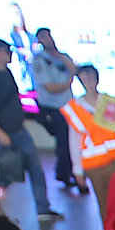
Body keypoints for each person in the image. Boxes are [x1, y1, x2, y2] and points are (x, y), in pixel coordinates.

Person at [0, 37, 59, 222]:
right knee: (7, 176)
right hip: (7, 134)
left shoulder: (6, 72)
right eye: (6, 52)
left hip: (18, 130)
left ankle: (43, 208)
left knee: (35, 169)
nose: (10, 55)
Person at [58, 64, 115, 210]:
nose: (89, 81)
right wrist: (77, 170)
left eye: (91, 77)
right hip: (95, 165)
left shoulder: (108, 101)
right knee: (105, 205)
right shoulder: (75, 107)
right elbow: (74, 140)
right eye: (84, 78)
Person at [28, 27, 79, 195]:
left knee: (70, 140)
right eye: (43, 37)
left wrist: (61, 57)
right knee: (63, 141)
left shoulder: (60, 57)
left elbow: (74, 69)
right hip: (52, 108)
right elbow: (51, 88)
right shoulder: (40, 61)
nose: (48, 39)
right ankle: (64, 174)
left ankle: (69, 172)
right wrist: (69, 80)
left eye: (49, 36)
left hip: (67, 106)